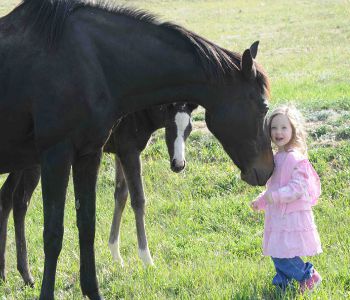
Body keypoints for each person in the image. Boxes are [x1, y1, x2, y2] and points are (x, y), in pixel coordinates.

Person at [251, 105, 322, 293]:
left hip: (291, 215)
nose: (278, 132)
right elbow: (272, 187)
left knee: (280, 253)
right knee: (279, 251)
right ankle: (283, 284)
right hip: (277, 214)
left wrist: (275, 197)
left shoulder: (296, 158)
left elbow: (298, 188)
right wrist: (262, 200)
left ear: (293, 130)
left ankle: (308, 276)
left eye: (284, 127)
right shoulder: (276, 157)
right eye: (274, 128)